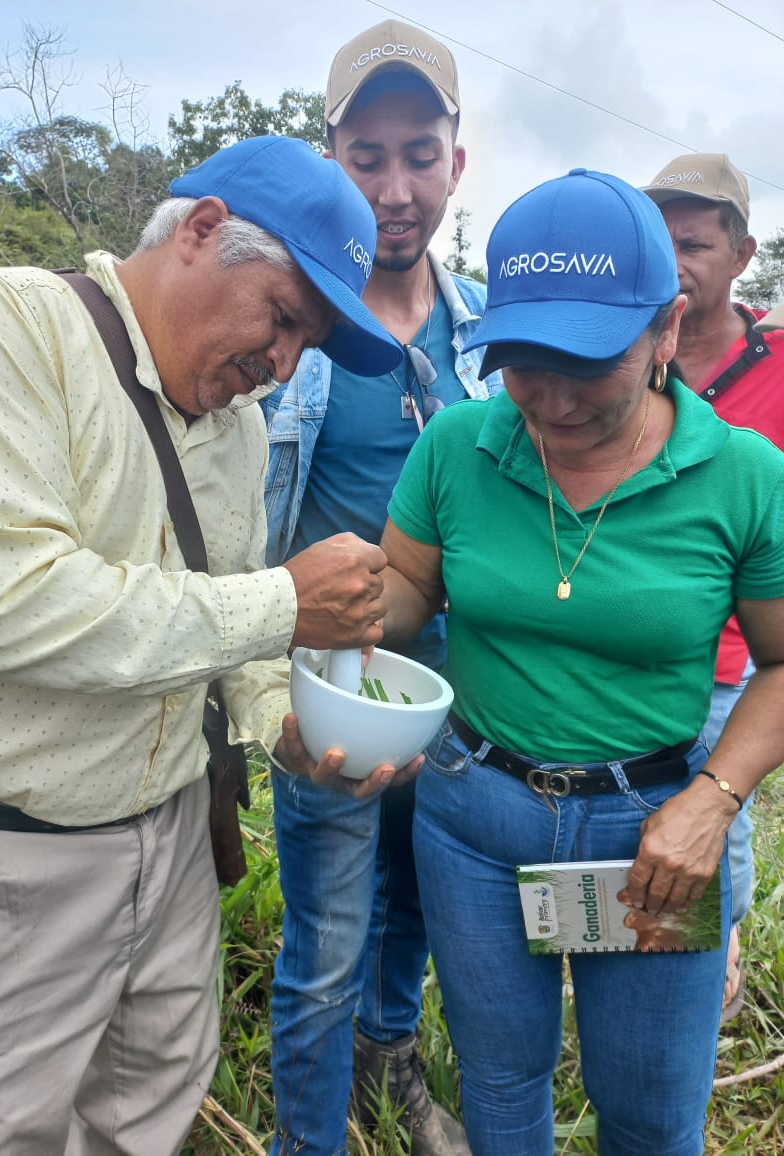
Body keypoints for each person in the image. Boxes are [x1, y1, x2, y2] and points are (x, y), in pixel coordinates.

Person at [0, 134, 414, 1156]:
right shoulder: (5, 323)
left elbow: (226, 635)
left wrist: (287, 723)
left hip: (177, 834)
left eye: (304, 345)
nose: (280, 363)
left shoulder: (239, 429)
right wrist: (282, 602)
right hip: (3, 849)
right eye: (281, 317)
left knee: (150, 1103)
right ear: (198, 232)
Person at [378, 167, 784, 1155]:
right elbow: (403, 598)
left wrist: (713, 801)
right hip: (477, 820)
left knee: (649, 1110)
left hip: (654, 842)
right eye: (521, 361)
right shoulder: (459, 448)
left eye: (588, 362)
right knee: (502, 1085)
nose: (551, 400)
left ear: (667, 330)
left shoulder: (744, 477)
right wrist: (326, 615)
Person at [261, 20, 498, 1156]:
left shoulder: (499, 338)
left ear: (460, 159)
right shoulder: (291, 333)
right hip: (332, 701)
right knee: (322, 947)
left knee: (408, 919)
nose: (396, 188)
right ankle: (309, 1136)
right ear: (332, 160)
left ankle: (388, 1068)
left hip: (466, 706)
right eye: (368, 156)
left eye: (421, 152)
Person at [642, 152, 784, 1023]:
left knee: (715, 807)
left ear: (740, 252)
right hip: (640, 638)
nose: (674, 263)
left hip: (736, 654)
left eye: (692, 243)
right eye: (659, 244)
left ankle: (712, 968)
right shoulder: (624, 357)